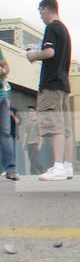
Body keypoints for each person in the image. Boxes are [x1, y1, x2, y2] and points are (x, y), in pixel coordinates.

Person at [25, 0, 74, 181]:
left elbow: (49, 52)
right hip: (64, 85)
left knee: (55, 127)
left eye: (40, 12)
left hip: (51, 85)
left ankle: (58, 166)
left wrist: (33, 55)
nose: (40, 16)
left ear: (46, 9)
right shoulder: (65, 30)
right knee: (66, 128)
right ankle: (67, 166)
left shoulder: (52, 28)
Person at [0, 46, 20, 181]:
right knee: (5, 135)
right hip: (3, 96)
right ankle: (10, 170)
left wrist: (3, 71)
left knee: (5, 134)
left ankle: (11, 170)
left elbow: (6, 66)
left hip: (2, 95)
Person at [21, 104, 44, 175]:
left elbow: (41, 133)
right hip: (29, 142)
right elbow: (26, 133)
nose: (30, 113)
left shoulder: (38, 121)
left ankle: (34, 172)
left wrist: (40, 144)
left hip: (36, 142)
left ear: (35, 112)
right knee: (31, 158)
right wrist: (24, 143)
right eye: (29, 111)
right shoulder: (27, 121)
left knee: (33, 158)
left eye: (31, 111)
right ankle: (40, 168)